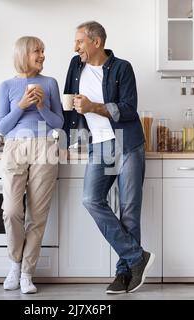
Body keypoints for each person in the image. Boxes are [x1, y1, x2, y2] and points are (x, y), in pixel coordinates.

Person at [63, 21, 155, 294]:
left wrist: (94, 107)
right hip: (99, 145)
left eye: (79, 41)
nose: (75, 47)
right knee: (91, 199)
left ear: (96, 42)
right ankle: (137, 257)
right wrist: (68, 137)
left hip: (127, 142)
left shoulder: (122, 68)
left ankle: (124, 274)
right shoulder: (75, 65)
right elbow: (69, 103)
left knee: (129, 210)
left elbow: (129, 109)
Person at [0, 36, 64, 294]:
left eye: (43, 51)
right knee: (12, 211)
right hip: (15, 147)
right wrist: (22, 106)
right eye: (38, 51)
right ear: (24, 54)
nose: (43, 55)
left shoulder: (50, 83)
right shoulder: (6, 86)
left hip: (45, 146)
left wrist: (42, 105)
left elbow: (58, 122)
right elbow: (3, 126)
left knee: (37, 216)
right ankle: (15, 264)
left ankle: (26, 273)